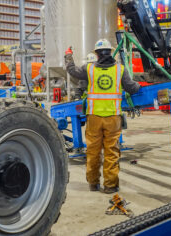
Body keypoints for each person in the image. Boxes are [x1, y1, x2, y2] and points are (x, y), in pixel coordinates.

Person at [65, 39, 140, 194]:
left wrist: (68, 55)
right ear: (110, 52)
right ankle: (110, 185)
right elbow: (132, 88)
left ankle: (93, 184)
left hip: (94, 117)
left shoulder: (89, 68)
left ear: (97, 54)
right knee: (111, 152)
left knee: (92, 151)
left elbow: (72, 70)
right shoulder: (120, 69)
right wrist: (140, 86)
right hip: (113, 118)